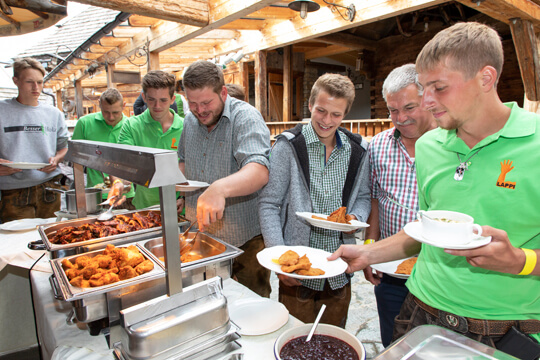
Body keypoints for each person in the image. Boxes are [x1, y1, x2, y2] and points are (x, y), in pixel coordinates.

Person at [329, 22, 540, 353]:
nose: (427, 102)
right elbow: (425, 231)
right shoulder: (430, 146)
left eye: (438, 88)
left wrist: (521, 261)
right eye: (424, 88)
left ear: (485, 78)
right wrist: (368, 251)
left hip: (502, 328)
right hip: (420, 311)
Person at [258, 73, 371, 327]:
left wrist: (356, 218)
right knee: (295, 337)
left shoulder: (358, 150)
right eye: (321, 111)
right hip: (297, 271)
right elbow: (269, 204)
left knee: (332, 338)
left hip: (339, 268)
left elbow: (363, 197)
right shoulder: (289, 146)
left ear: (345, 115)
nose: (327, 120)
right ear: (310, 105)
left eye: (336, 114)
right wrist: (279, 258)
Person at [177, 60, 272, 297]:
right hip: (201, 234)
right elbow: (182, 161)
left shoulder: (246, 117)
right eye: (193, 103)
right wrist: (179, 191)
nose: (200, 110)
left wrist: (219, 188)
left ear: (223, 92)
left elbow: (259, 170)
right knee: (206, 300)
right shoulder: (189, 121)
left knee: (254, 301)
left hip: (244, 238)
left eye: (207, 102)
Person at [364, 64, 436, 346]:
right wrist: (370, 249)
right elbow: (374, 200)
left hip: (436, 270)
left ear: (427, 100)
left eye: (409, 107)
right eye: (393, 110)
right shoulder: (378, 145)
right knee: (393, 343)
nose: (400, 118)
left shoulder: (451, 145)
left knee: (431, 346)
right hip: (391, 270)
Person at [0, 58, 69, 222]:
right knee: (19, 241)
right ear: (15, 81)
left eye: (39, 82)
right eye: (29, 82)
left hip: (50, 188)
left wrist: (57, 159)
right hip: (13, 190)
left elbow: (64, 147)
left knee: (53, 237)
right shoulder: (2, 110)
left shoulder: (54, 114)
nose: (36, 88)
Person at [111, 70, 184, 209]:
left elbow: (194, 167)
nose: (157, 106)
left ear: (173, 99)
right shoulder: (132, 126)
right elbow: (121, 162)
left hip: (179, 208)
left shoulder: (185, 127)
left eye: (163, 100)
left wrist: (184, 197)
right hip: (145, 208)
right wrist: (118, 182)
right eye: (151, 99)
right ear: (144, 97)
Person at [71, 88, 136, 210]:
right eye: (106, 112)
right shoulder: (84, 123)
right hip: (96, 195)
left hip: (126, 195)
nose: (111, 117)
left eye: (115, 112)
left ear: (124, 106)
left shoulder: (132, 125)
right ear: (99, 105)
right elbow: (75, 157)